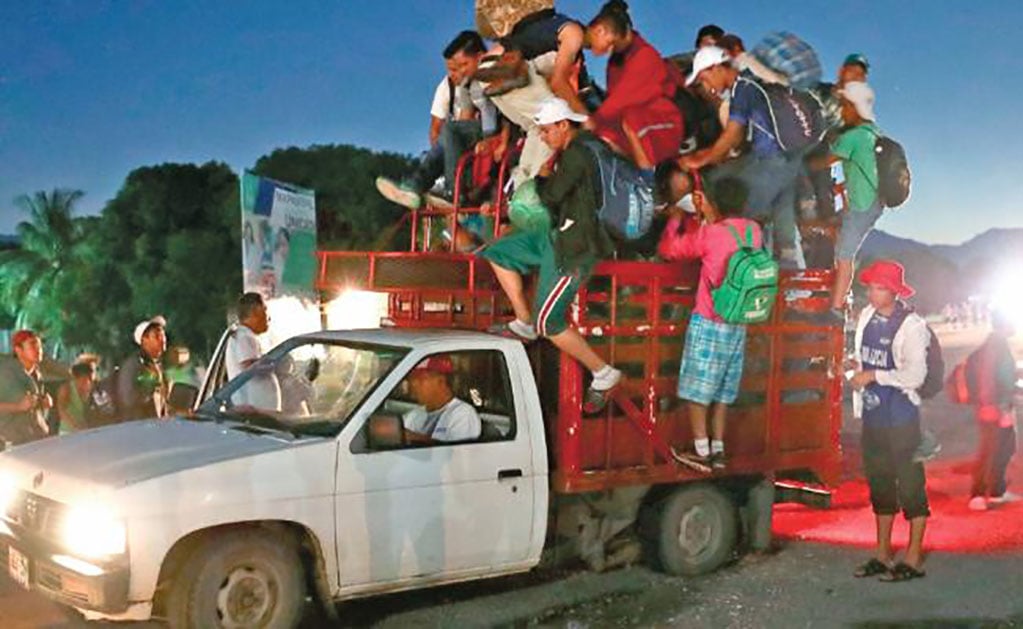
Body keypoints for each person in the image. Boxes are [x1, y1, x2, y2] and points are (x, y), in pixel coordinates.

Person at [479, 97, 621, 410]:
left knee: (550, 324)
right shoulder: (581, 150)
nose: (543, 137)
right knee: (498, 252)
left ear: (563, 125)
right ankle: (523, 320)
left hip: (574, 246)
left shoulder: (578, 154)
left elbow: (553, 195)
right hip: (558, 234)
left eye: (546, 131)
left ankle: (603, 372)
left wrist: (543, 178)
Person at [657, 176, 764, 470]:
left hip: (709, 322)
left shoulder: (712, 234)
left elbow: (670, 250)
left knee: (697, 391)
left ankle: (701, 453)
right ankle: (718, 448)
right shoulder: (754, 232)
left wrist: (676, 218)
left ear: (714, 202)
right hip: (738, 323)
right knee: (722, 392)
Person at [679, 46, 805, 268]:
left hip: (770, 162)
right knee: (769, 206)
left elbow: (732, 135)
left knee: (733, 203)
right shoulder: (751, 82)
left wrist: (699, 160)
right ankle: (786, 260)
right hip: (787, 161)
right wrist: (708, 154)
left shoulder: (743, 89)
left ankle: (741, 266)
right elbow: (735, 142)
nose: (705, 87)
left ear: (716, 68)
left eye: (703, 79)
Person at [849, 260, 930, 582]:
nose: (871, 292)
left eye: (879, 287)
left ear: (894, 291)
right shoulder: (867, 317)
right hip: (873, 417)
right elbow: (863, 356)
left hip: (902, 419)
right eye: (869, 286)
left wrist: (874, 374)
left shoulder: (911, 325)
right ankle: (882, 553)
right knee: (880, 485)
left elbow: (916, 374)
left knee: (911, 487)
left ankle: (913, 557)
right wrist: (856, 366)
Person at [377, 30, 499, 212]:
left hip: (496, 128)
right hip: (478, 131)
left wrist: (490, 139)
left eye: (462, 65)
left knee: (449, 130)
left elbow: (492, 112)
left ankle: (447, 191)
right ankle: (416, 186)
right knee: (448, 133)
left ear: (480, 57)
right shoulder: (465, 83)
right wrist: (451, 144)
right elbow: (463, 117)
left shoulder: (491, 73)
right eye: (454, 68)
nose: (457, 72)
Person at [811, 82, 884, 322]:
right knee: (835, 234)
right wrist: (841, 187)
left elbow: (822, 163)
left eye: (844, 106)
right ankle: (838, 295)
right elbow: (864, 169)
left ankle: (834, 308)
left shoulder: (853, 137)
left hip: (861, 206)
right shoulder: (874, 132)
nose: (841, 112)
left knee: (844, 256)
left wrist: (797, 163)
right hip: (872, 203)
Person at [584, 0, 682, 169]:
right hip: (635, 123)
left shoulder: (646, 56)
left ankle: (648, 179)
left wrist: (591, 122)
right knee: (603, 135)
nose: (591, 50)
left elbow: (621, 101)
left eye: (590, 43)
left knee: (630, 119)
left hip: (664, 123)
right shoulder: (614, 64)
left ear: (601, 30)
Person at [965, 309, 1019, 511]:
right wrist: (996, 407)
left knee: (1005, 448)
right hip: (993, 407)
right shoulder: (995, 345)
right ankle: (977, 494)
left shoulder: (997, 343)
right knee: (990, 450)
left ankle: (997, 491)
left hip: (998, 405)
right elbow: (989, 378)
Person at [401, 355, 481, 443]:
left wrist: (413, 437)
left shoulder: (463, 414)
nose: (413, 385)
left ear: (441, 381)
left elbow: (457, 453)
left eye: (420, 379)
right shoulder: (415, 415)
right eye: (411, 379)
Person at [225, 292, 281, 410]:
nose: (268, 318)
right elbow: (249, 367)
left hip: (257, 412)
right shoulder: (244, 337)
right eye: (265, 311)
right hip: (252, 411)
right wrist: (276, 364)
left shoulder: (245, 336)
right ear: (256, 312)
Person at [0, 329, 51, 447]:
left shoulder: (36, 374)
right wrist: (17, 407)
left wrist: (43, 403)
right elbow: (22, 404)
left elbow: (31, 407)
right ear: (18, 350)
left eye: (39, 346)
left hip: (34, 440)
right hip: (10, 444)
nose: (38, 350)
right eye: (32, 345)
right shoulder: (5, 372)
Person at [117, 316, 169, 421]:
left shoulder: (157, 365)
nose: (162, 339)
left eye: (163, 334)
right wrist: (151, 387)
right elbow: (128, 399)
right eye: (157, 335)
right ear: (144, 340)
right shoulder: (133, 365)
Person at [57, 360, 97, 434]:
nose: (87, 382)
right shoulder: (66, 388)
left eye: (90, 380)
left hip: (87, 431)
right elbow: (61, 410)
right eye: (83, 380)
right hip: (67, 432)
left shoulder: (93, 389)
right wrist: (76, 426)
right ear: (76, 378)